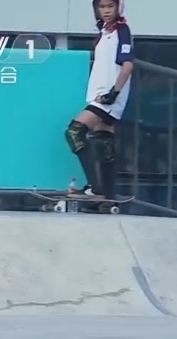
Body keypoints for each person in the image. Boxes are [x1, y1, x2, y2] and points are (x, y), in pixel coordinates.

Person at [63, 0, 134, 199]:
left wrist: (114, 92)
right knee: (104, 143)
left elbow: (128, 65)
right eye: (102, 7)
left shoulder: (122, 30)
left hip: (109, 96)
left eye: (110, 6)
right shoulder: (104, 32)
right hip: (100, 94)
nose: (106, 11)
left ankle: (96, 188)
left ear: (118, 7)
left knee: (74, 132)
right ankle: (107, 196)